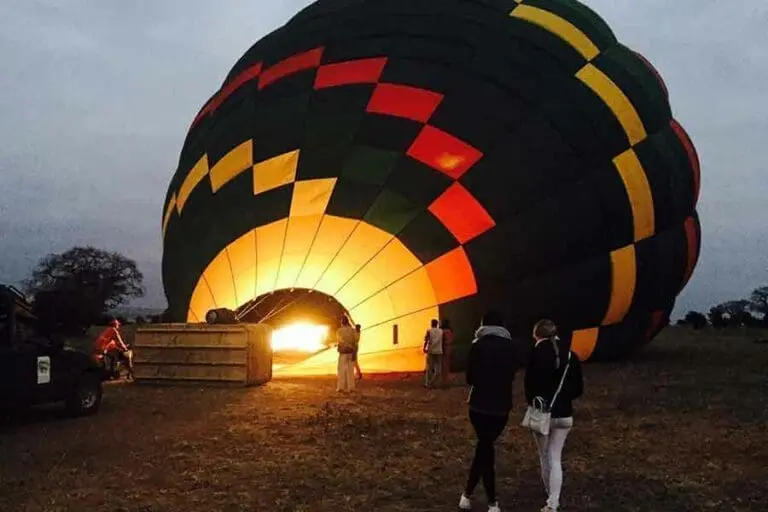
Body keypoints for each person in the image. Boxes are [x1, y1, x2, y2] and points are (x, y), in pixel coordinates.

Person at [459, 311, 525, 512]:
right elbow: (513, 373)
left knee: (484, 447)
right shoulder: (511, 347)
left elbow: (470, 378)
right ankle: (488, 501)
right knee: (486, 447)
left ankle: (474, 497)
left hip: (478, 406)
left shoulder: (477, 346)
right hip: (501, 407)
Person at [524, 319, 584, 512]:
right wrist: (564, 398)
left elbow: (529, 385)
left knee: (544, 456)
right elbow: (578, 389)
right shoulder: (571, 356)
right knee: (555, 457)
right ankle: (553, 501)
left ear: (537, 335)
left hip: (543, 414)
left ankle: (551, 499)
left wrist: (535, 401)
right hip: (565, 414)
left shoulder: (536, 354)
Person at [335, 316, 358, 392]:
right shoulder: (352, 330)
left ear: (342, 322)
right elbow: (356, 340)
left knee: (341, 371)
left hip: (343, 352)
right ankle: (351, 388)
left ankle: (341, 387)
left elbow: (340, 341)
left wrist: (346, 345)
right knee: (350, 371)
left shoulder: (339, 331)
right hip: (350, 352)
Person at [422, 319, 443, 388]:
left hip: (430, 351)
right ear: (437, 324)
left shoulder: (429, 331)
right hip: (439, 351)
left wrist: (424, 348)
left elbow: (426, 340)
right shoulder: (441, 331)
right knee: (438, 369)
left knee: (429, 368)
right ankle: (433, 382)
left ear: (431, 324)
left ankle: (428, 383)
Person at [440, 319, 454, 386]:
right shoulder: (450, 330)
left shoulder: (441, 330)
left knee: (443, 363)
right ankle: (446, 377)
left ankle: (444, 378)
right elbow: (452, 338)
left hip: (442, 347)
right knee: (447, 363)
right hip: (448, 347)